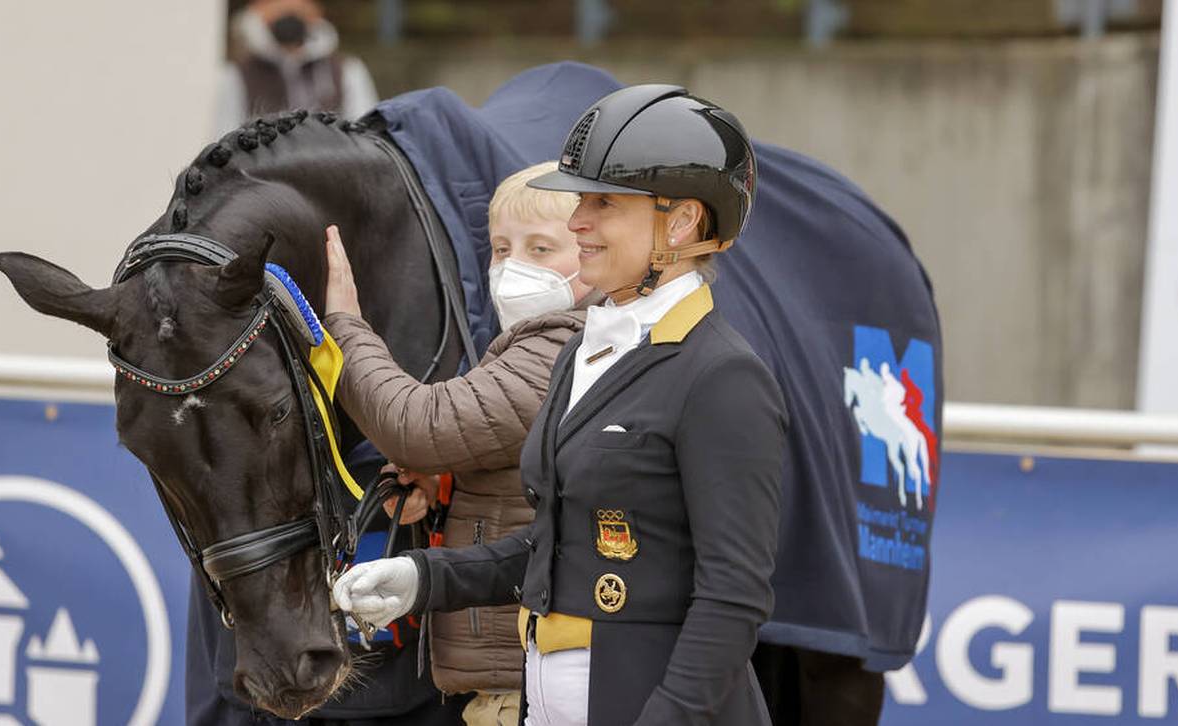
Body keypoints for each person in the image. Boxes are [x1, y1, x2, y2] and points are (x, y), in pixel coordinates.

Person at [332, 85, 789, 726]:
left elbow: (733, 598)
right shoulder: (582, 354)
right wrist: (422, 578)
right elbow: (555, 548)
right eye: (579, 201)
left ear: (682, 223)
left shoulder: (721, 377)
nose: (578, 222)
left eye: (603, 203)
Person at [322, 161, 600, 726]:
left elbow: (419, 426)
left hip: (523, 689)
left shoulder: (554, 349)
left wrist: (344, 326)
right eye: (501, 248)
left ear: (593, 257)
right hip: (509, 676)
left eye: (541, 249)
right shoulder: (532, 346)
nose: (513, 267)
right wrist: (440, 485)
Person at [216, 0, 379, 135]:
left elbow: (363, 132)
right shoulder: (238, 75)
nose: (288, 7)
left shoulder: (346, 70)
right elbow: (225, 134)